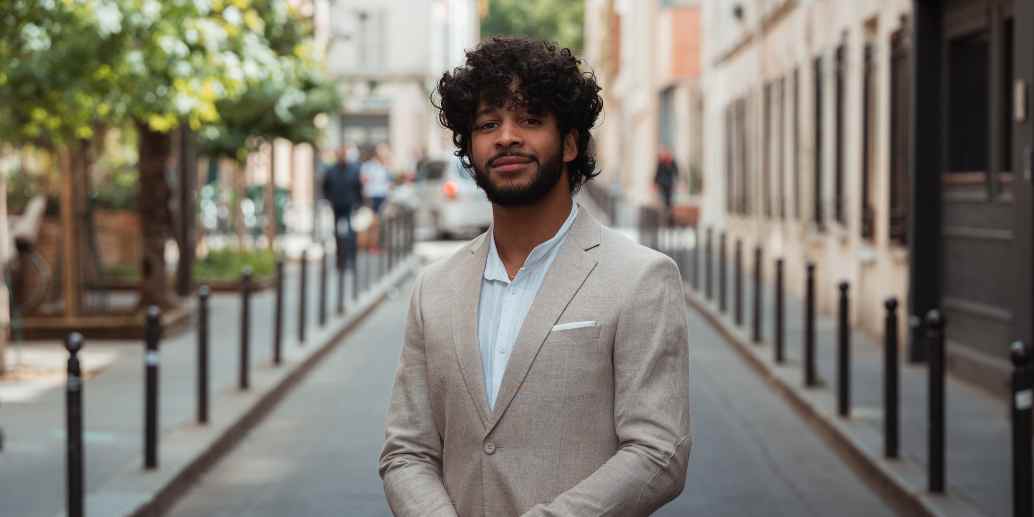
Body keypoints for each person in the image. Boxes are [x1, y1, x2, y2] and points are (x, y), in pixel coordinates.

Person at [379, 37, 691, 516]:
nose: (506, 136)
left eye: (529, 119)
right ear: (469, 147)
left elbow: (658, 451)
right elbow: (407, 450)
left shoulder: (640, 278)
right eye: (488, 124)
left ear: (569, 143)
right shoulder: (434, 289)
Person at [321, 144, 363, 271]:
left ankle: (351, 258)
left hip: (349, 205)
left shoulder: (354, 169)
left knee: (350, 233)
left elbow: (358, 187)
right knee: (337, 234)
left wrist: (358, 203)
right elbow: (325, 187)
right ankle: (340, 260)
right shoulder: (331, 170)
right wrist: (329, 199)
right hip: (336, 205)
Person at [360, 143, 392, 215]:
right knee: (373, 215)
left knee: (381, 216)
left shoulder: (385, 166)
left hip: (383, 194)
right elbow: (363, 180)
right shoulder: (368, 166)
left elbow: (388, 180)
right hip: (372, 194)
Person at [655, 144, 679, 212]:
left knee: (669, 200)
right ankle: (663, 212)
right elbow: (657, 173)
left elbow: (676, 172)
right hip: (662, 184)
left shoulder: (672, 162)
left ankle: (668, 213)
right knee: (661, 199)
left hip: (669, 184)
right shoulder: (661, 162)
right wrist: (654, 183)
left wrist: (677, 182)